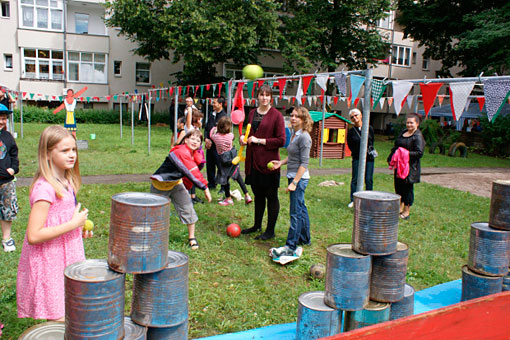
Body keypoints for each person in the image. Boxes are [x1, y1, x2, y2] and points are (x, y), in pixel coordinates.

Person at [17, 125, 92, 321]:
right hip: (50, 259)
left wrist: (78, 229)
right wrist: (72, 225)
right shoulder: (45, 189)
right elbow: (34, 236)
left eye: (74, 149)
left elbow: (61, 219)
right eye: (65, 150)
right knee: (59, 316)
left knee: (71, 309)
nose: (72, 155)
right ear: (48, 154)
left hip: (66, 253)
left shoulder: (66, 182)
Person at [151, 129, 212, 250]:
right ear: (186, 140)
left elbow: (190, 174)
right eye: (192, 138)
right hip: (160, 184)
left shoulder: (193, 155)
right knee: (154, 213)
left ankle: (192, 238)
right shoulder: (181, 151)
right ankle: (152, 237)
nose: (195, 141)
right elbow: (192, 171)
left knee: (188, 207)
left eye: (198, 140)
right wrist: (205, 187)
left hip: (176, 184)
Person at [240, 84, 286, 240]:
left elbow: (281, 140)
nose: (264, 98)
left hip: (269, 162)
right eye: (261, 94)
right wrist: (243, 139)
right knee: (258, 194)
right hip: (253, 161)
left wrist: (259, 140)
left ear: (271, 98)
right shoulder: (252, 113)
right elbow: (249, 132)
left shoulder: (277, 116)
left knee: (271, 196)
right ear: (257, 96)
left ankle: (270, 231)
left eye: (267, 95)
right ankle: (256, 225)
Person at [269, 107, 313, 257]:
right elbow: (294, 157)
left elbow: (304, 163)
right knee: (301, 208)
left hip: (299, 179)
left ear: (304, 119)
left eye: (297, 116)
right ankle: (305, 238)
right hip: (294, 175)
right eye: (292, 115)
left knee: (295, 212)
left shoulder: (304, 137)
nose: (293, 118)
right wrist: (281, 162)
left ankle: (291, 244)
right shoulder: (294, 134)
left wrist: (294, 182)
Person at [387, 114, 425, 220]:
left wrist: (404, 153)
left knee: (407, 189)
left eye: (411, 123)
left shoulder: (417, 136)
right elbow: (396, 146)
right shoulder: (403, 132)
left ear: (417, 124)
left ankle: (406, 211)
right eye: (407, 122)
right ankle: (400, 207)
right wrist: (391, 157)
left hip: (410, 167)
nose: (409, 125)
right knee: (398, 186)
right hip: (399, 166)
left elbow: (419, 153)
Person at [210, 116, 252, 206]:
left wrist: (214, 127)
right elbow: (232, 137)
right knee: (238, 176)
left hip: (224, 159)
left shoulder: (216, 137)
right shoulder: (231, 135)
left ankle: (228, 199)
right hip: (233, 157)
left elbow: (211, 134)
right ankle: (247, 195)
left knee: (224, 179)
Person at [346, 108, 375, 208]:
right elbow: (349, 144)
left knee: (368, 179)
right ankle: (353, 199)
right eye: (352, 117)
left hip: (369, 158)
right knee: (355, 179)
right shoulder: (351, 131)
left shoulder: (369, 128)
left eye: (356, 115)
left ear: (361, 115)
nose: (355, 118)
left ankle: (369, 199)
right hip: (357, 158)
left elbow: (372, 141)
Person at [0, 104, 19, 252]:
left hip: (5, 181)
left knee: (7, 211)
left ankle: (7, 239)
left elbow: (14, 155)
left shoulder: (7, 137)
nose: (2, 121)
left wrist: (13, 168)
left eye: (4, 118)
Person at [204, 97, 227, 192]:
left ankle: (223, 187)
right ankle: (211, 184)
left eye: (215, 103)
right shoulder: (211, 115)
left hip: (218, 147)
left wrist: (212, 141)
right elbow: (206, 128)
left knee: (221, 167)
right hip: (209, 146)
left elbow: (224, 132)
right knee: (210, 166)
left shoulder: (224, 117)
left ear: (220, 104)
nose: (213, 104)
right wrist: (206, 139)